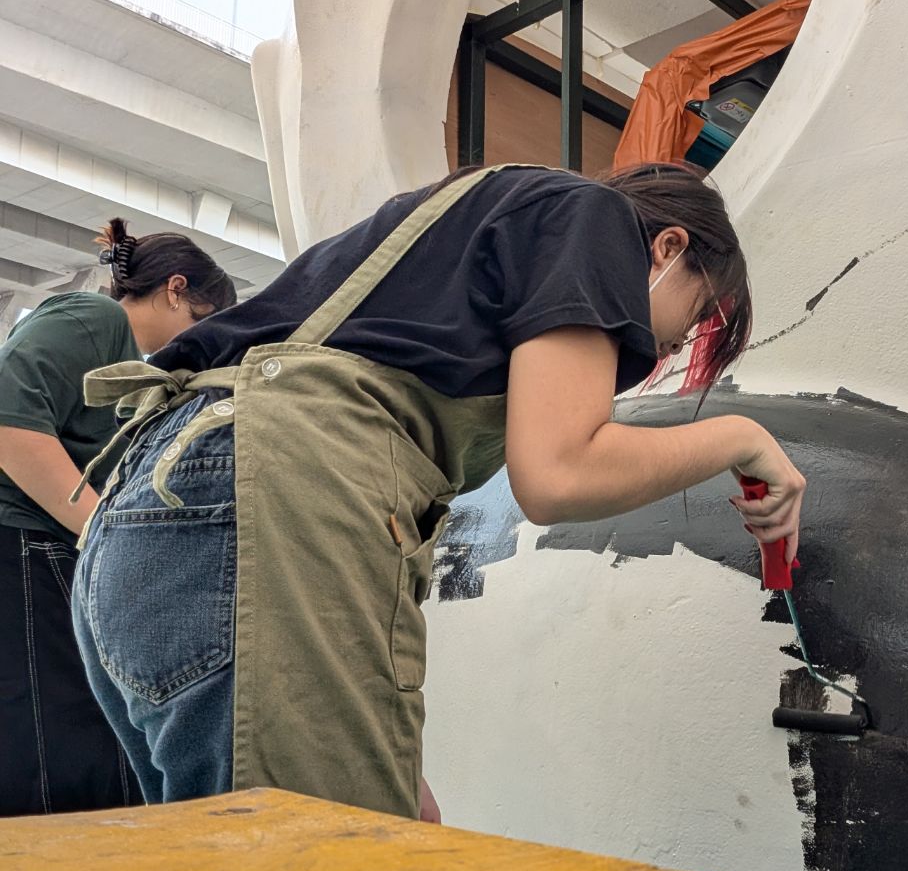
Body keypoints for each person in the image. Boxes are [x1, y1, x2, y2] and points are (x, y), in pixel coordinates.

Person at [70, 162, 806, 822]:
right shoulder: (594, 217)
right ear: (668, 248)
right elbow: (559, 473)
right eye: (699, 313)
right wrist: (740, 438)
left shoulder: (463, 223)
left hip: (148, 520)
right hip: (261, 515)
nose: (678, 346)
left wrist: (377, 751)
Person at [0, 220, 236, 816]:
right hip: (24, 542)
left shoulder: (129, 370)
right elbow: (7, 420)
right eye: (201, 320)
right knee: (58, 753)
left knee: (75, 743)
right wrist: (107, 530)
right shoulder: (94, 319)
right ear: (175, 289)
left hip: (43, 549)